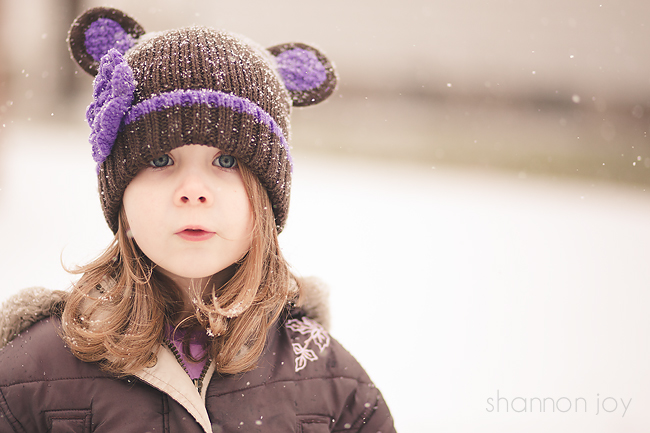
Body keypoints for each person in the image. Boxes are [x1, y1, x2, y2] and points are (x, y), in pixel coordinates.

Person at [0, 7, 395, 433]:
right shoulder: (32, 376)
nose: (192, 189)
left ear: (266, 200)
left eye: (225, 161)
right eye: (159, 158)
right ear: (120, 199)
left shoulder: (331, 386)